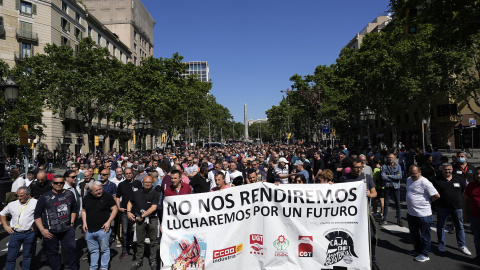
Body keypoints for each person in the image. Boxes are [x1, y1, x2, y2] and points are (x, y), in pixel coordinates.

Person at [337, 159, 379, 270]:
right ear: (351, 168)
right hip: (348, 214)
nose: (359, 169)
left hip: (364, 213)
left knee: (372, 236)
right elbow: (335, 193)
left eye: (361, 167)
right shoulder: (344, 179)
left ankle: (373, 260)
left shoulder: (367, 178)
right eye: (356, 167)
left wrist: (370, 194)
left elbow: (375, 193)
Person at [34, 175, 79, 270]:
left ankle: (72, 268)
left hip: (67, 229)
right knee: (52, 253)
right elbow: (37, 215)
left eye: (61, 182)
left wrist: (71, 223)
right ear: (52, 183)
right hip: (50, 231)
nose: (59, 184)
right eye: (56, 183)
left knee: (71, 249)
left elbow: (74, 209)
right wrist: (42, 230)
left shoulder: (69, 194)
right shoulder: (45, 197)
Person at [432, 163, 471, 255]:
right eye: (445, 169)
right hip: (441, 207)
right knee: (441, 226)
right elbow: (431, 192)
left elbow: (464, 192)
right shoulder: (436, 180)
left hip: (457, 208)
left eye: (449, 169)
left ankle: (462, 245)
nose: (447, 171)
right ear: (441, 170)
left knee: (459, 227)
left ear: (452, 169)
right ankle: (441, 244)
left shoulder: (459, 179)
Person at [405, 165, 440, 262]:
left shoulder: (425, 182)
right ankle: (417, 250)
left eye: (414, 173)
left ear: (420, 172)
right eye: (410, 173)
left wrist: (428, 202)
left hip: (424, 214)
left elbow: (436, 195)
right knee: (414, 234)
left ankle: (425, 254)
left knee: (425, 236)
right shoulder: (408, 179)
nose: (412, 175)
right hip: (411, 213)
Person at [82, 181, 118, 270]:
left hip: (103, 229)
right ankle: (93, 267)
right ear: (91, 191)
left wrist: (109, 222)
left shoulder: (107, 196)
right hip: (89, 230)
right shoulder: (86, 198)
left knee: (104, 250)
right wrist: (84, 223)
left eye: (100, 189)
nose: (99, 191)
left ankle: (104, 267)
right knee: (93, 250)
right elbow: (83, 211)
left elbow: (114, 209)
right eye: (96, 190)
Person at [0, 187, 37, 270]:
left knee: (27, 256)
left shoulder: (35, 203)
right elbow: (2, 214)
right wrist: (5, 226)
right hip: (15, 233)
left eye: (22, 196)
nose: (19, 198)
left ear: (28, 195)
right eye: (18, 196)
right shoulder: (12, 204)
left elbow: (41, 214)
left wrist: (36, 226)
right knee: (11, 257)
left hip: (29, 234)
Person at [127, 176, 159, 270]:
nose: (147, 184)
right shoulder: (136, 193)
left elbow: (154, 208)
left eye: (149, 182)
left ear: (153, 183)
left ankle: (153, 260)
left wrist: (142, 216)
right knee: (140, 241)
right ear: (142, 183)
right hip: (139, 219)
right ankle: (139, 260)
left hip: (152, 218)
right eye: (145, 182)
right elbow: (130, 202)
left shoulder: (155, 194)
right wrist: (129, 212)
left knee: (153, 241)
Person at [115, 167, 142, 260]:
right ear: (124, 174)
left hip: (137, 211)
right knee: (125, 231)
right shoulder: (121, 185)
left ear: (133, 173)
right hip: (126, 211)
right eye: (126, 173)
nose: (128, 175)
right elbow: (118, 196)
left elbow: (142, 194)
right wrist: (119, 207)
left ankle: (138, 250)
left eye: (130, 173)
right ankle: (124, 250)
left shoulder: (138, 183)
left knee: (138, 231)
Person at [381, 153, 403, 226]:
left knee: (397, 203)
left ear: (394, 158)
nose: (390, 158)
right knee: (386, 203)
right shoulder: (384, 166)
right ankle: (385, 219)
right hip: (387, 187)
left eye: (392, 157)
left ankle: (399, 220)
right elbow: (383, 177)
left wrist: (389, 176)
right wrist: (394, 177)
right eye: (389, 157)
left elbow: (400, 177)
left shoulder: (398, 167)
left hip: (396, 187)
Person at [463, 167, 480, 264]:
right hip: (475, 217)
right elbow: (465, 200)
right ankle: (479, 256)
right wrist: (464, 213)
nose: (479, 176)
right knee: (477, 239)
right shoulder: (471, 185)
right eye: (477, 174)